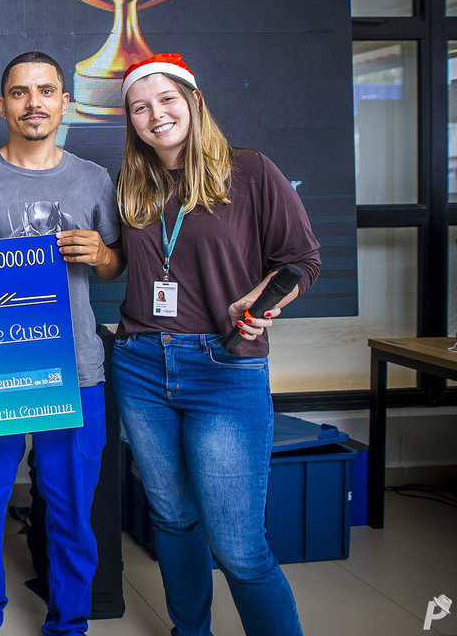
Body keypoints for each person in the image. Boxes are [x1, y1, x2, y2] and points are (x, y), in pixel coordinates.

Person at [112, 53, 320, 636]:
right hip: (140, 364)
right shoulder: (132, 181)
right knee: (173, 521)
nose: (156, 115)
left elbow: (302, 261)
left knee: (238, 547)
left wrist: (261, 301)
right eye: (140, 108)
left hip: (223, 367)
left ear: (194, 101)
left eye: (167, 100)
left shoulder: (250, 171)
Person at [0, 51, 122, 636]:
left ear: (65, 102)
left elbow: (114, 267)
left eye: (46, 91)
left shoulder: (95, 180)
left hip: (75, 370)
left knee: (71, 514)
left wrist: (102, 253)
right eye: (20, 92)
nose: (33, 103)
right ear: (3, 105)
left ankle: (69, 626)